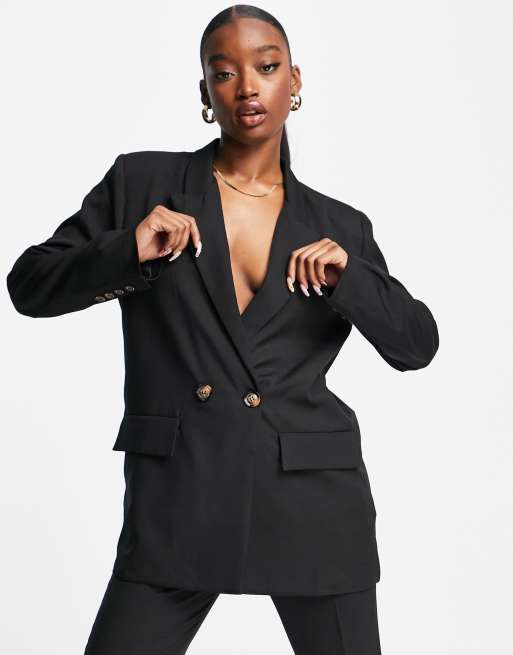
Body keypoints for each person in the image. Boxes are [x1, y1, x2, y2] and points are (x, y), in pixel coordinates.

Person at [6, 5, 439, 654]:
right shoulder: (143, 184)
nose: (247, 87)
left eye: (266, 66)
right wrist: (129, 250)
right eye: (224, 72)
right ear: (205, 92)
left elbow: (416, 345)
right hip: (181, 495)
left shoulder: (339, 226)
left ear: (294, 80)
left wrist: (349, 279)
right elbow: (29, 286)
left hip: (312, 500)